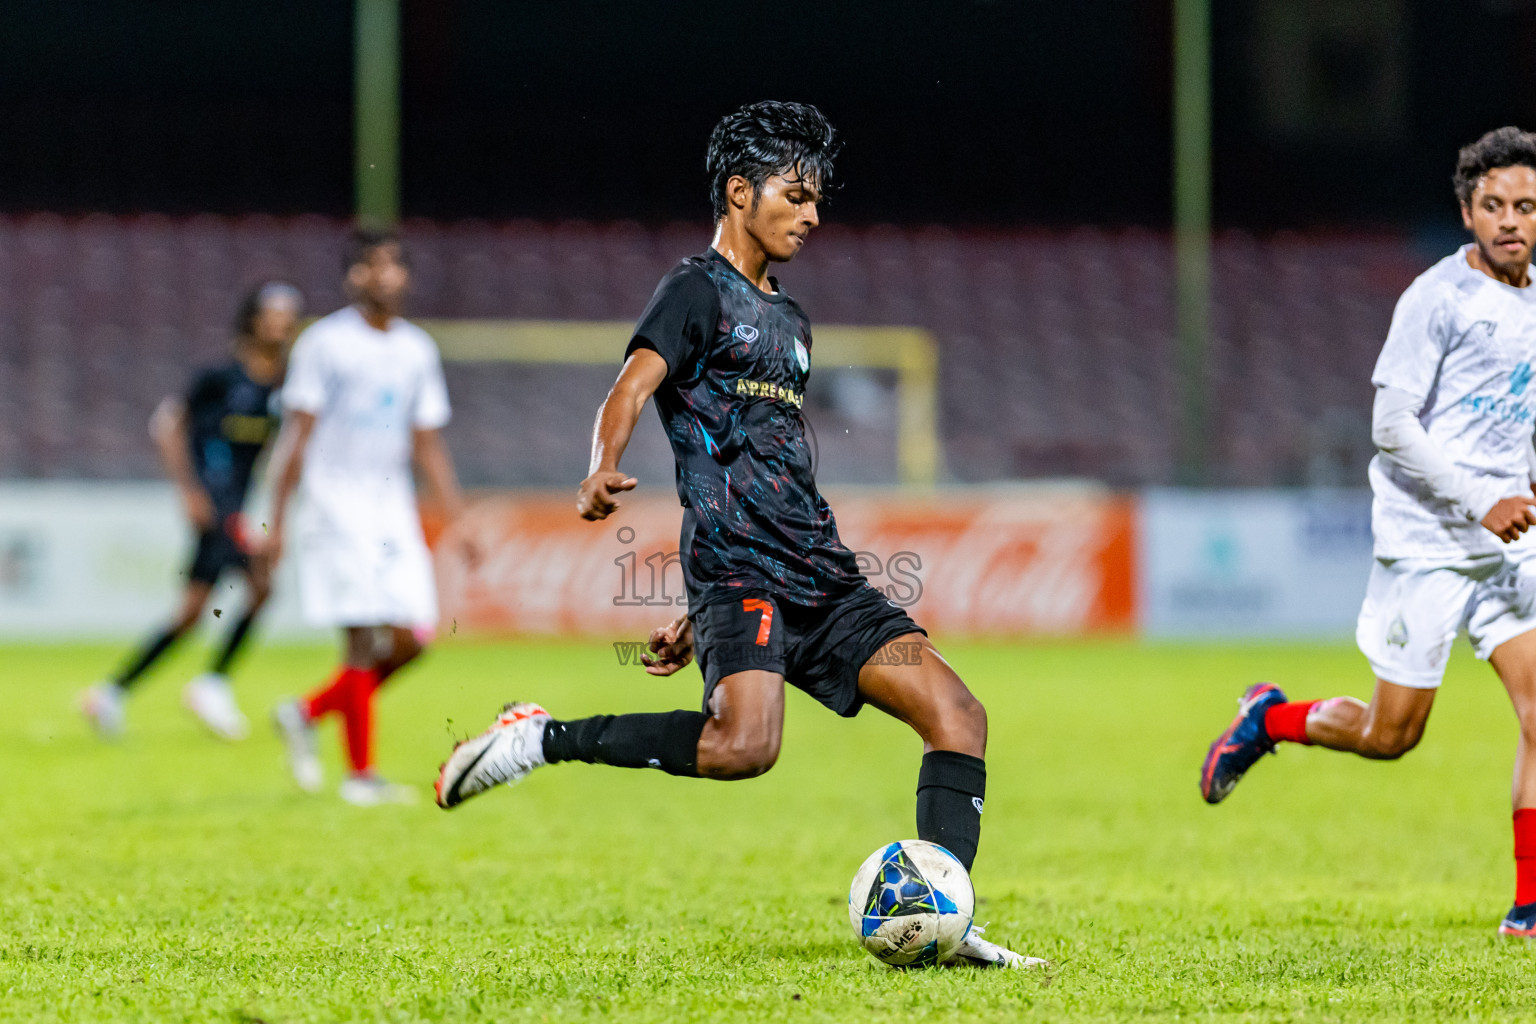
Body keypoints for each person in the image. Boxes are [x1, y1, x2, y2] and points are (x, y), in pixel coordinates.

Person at [433, 101, 1044, 968]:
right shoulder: (693, 292)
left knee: (958, 715)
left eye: (817, 199)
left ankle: (945, 916)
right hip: (741, 577)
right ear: (737, 192)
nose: (812, 215)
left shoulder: (793, 324)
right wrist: (601, 465)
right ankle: (536, 738)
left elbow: (769, 461)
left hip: (825, 581)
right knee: (742, 748)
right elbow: (629, 388)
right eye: (795, 196)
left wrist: (693, 619)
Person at [1200, 126, 1536, 936]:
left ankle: (1530, 904)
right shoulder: (1436, 300)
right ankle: (1271, 718)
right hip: (1428, 541)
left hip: (1511, 543)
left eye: (1525, 206)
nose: (1511, 221)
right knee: (1393, 737)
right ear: (1466, 213)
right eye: (1493, 206)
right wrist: (1478, 499)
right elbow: (1390, 425)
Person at [266, 228, 469, 806]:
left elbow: (427, 440)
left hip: (390, 507)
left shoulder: (416, 349)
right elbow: (296, 438)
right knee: (359, 636)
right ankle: (361, 777)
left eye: (391, 265)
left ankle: (306, 712)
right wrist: (274, 522)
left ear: (405, 276)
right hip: (335, 502)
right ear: (351, 277)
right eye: (368, 266)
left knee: (412, 639)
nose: (381, 276)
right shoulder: (324, 344)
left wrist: (456, 516)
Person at [80, 282, 302, 741]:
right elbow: (167, 425)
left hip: (236, 506)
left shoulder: (283, 386)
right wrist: (188, 490)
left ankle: (111, 693)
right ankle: (212, 684)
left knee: (192, 612)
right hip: (216, 506)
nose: (282, 323)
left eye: (289, 315)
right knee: (260, 585)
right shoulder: (220, 378)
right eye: (274, 313)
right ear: (253, 320)